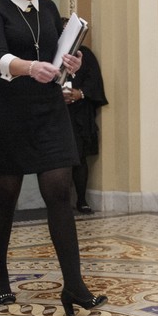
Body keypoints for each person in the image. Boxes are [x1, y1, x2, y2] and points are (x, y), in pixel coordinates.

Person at [0, 0, 107, 316]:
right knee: (7, 194)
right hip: (7, 111)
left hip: (47, 109)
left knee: (59, 190)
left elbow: (55, 55)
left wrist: (68, 64)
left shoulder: (49, 8)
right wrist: (30, 67)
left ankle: (74, 284)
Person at [62, 36, 108, 214]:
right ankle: (61, 202)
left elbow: (94, 80)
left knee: (80, 158)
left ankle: (81, 199)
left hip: (79, 114)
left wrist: (80, 93)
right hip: (57, 114)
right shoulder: (51, 54)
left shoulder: (84, 54)